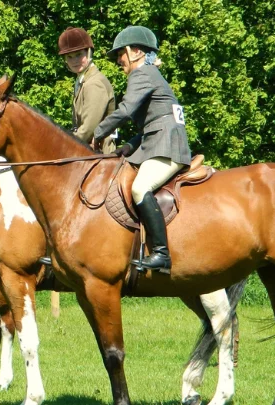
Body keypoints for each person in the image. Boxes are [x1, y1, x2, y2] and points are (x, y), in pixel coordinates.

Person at [92, 26, 192, 273]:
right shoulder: (151, 75)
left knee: (139, 187)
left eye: (120, 54)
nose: (118, 60)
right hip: (159, 141)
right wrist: (127, 147)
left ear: (135, 51)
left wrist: (98, 132)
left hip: (166, 146)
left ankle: (161, 254)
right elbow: (151, 124)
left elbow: (125, 111)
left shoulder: (142, 74)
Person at [58, 27, 116, 152]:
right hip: (86, 150)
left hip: (99, 155)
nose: (74, 61)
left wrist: (63, 145)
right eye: (69, 57)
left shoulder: (94, 83)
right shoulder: (83, 80)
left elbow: (88, 129)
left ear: (89, 53)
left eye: (79, 54)